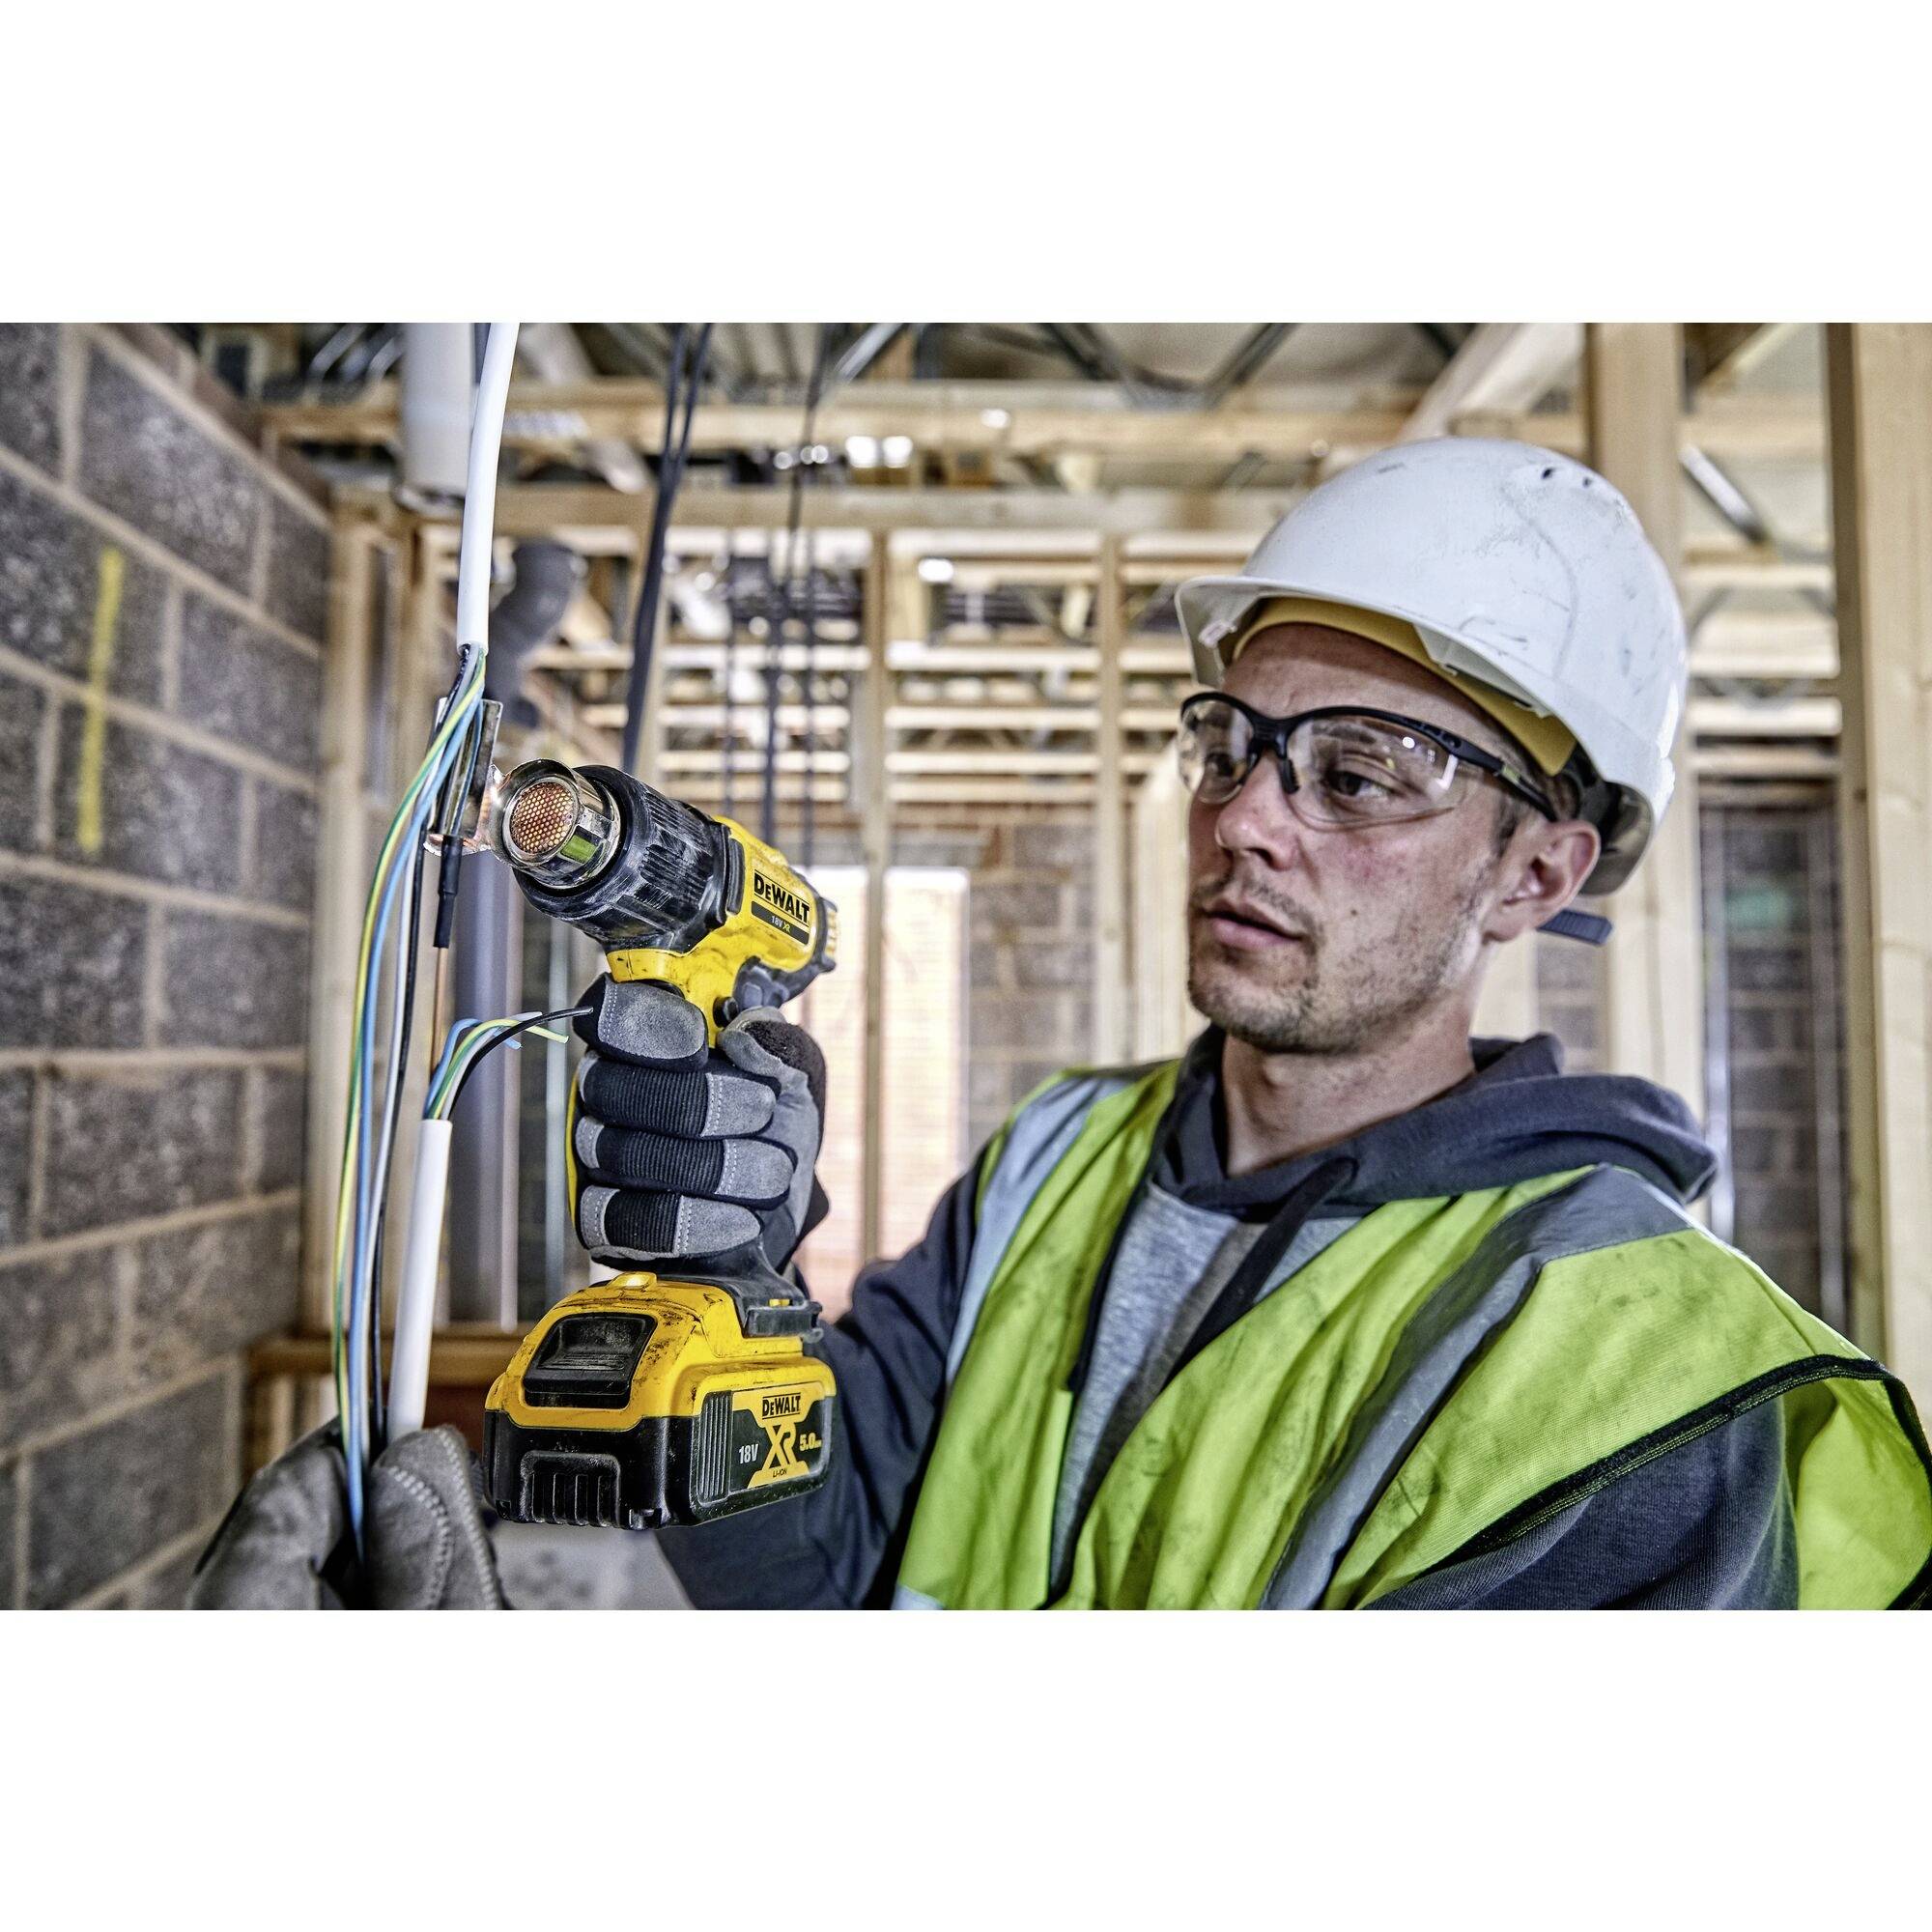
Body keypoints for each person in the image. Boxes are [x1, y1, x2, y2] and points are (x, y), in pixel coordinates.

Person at [191, 439, 1932, 1611]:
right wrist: (728, 1328)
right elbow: (844, 1544)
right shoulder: (1054, 1158)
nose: (1249, 816)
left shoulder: (1667, 1399)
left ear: (1536, 875)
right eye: (1233, 743)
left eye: (1361, 773)